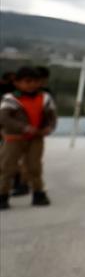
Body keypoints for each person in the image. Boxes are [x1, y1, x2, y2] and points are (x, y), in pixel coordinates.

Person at [0, 66, 57, 209]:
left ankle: (38, 194)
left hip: (36, 138)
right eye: (27, 81)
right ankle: (3, 195)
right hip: (14, 139)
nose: (32, 84)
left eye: (35, 81)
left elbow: (52, 116)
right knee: (7, 168)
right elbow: (4, 118)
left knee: (34, 167)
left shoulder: (45, 98)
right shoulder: (10, 99)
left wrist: (50, 127)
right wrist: (23, 128)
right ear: (17, 83)